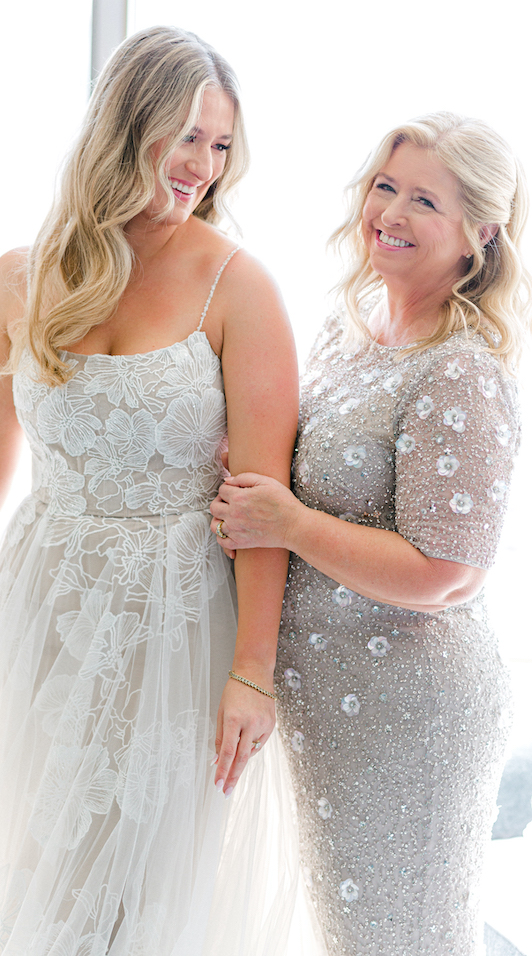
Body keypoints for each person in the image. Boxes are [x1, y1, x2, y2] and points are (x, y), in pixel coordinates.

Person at [0, 26, 299, 956]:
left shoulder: (239, 285)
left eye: (221, 146)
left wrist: (252, 673)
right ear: (125, 122)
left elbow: (265, 500)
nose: (203, 166)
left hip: (175, 621)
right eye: (188, 135)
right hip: (48, 600)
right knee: (41, 860)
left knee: (141, 876)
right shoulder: (20, 277)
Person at [210, 112, 530, 955]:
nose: (391, 211)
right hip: (331, 704)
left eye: (425, 199)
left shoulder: (461, 368)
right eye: (385, 187)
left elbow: (446, 571)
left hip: (408, 714)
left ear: (478, 235)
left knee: (399, 938)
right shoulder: (346, 334)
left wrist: (286, 520)